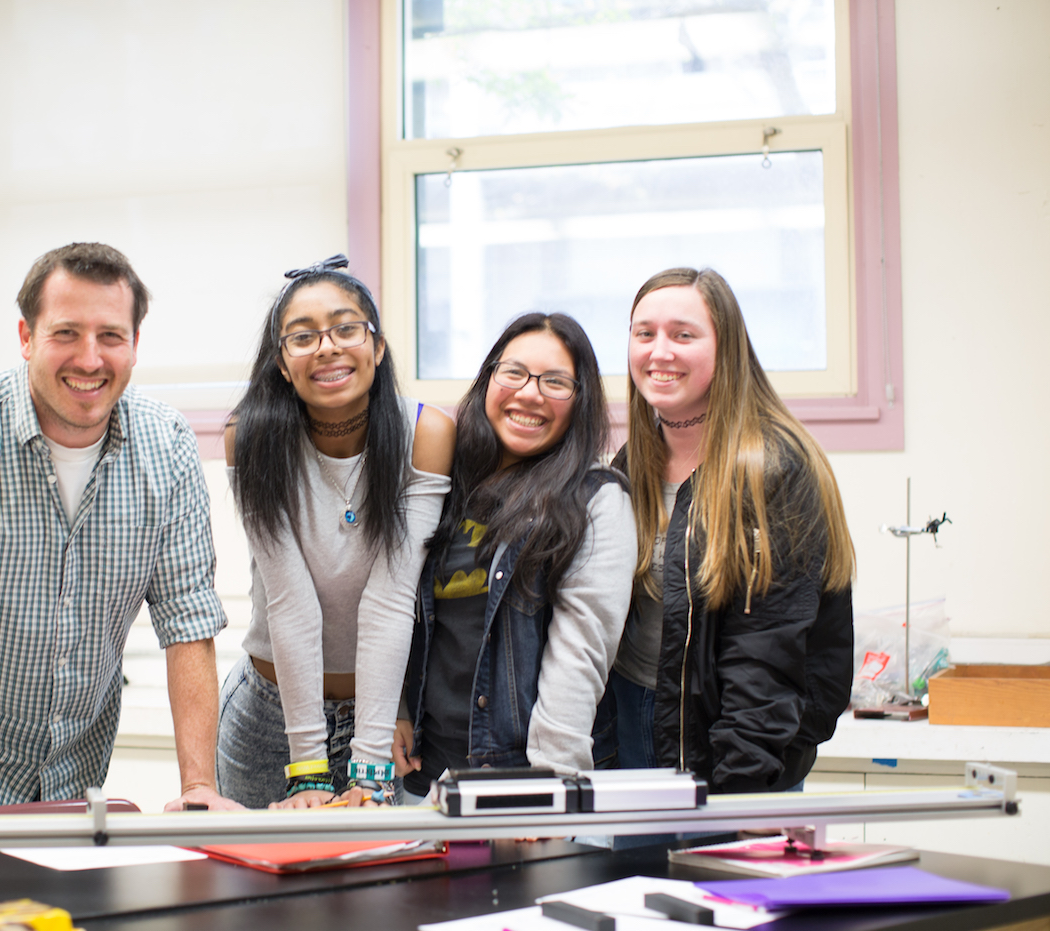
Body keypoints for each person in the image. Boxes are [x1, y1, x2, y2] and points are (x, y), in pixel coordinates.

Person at [0, 242, 239, 858]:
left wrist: (198, 785)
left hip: (78, 764)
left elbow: (189, 622)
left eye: (111, 335)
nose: (90, 358)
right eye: (66, 333)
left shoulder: (169, 446)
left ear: (135, 343)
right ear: (26, 336)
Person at [593, 267, 856, 796]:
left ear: (726, 347)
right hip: (634, 732)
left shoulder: (774, 469)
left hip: (735, 749)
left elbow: (768, 655)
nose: (659, 352)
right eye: (644, 334)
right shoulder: (631, 464)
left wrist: (739, 797)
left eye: (683, 335)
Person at [218, 255, 454, 809]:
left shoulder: (426, 433)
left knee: (371, 892)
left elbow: (391, 600)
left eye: (346, 328)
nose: (326, 348)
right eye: (302, 337)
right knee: (255, 889)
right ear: (281, 362)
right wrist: (306, 767)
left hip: (378, 718)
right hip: (268, 713)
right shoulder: (248, 438)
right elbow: (289, 600)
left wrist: (369, 765)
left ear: (376, 345)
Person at [394, 312, 637, 799]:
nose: (530, 393)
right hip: (427, 776)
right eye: (515, 373)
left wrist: (548, 784)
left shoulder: (596, 497)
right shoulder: (448, 477)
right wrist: (398, 709)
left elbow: (582, 651)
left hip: (523, 780)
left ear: (580, 399)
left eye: (555, 382)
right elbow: (402, 604)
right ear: (489, 379)